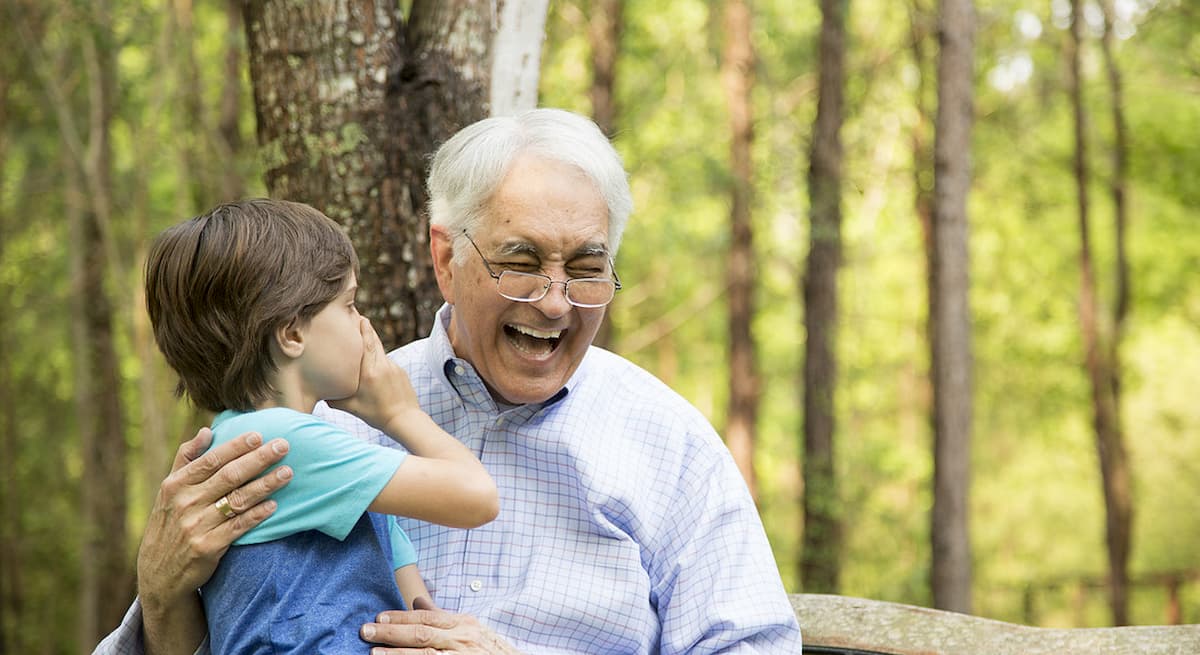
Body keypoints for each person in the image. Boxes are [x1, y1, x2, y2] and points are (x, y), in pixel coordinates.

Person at [96, 108, 802, 654]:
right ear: (445, 258)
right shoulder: (319, 420)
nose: (556, 302)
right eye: (520, 260)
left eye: (587, 269)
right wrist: (158, 599)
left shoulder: (668, 441)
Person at [138, 199, 498, 653]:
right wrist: (400, 414)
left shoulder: (319, 463)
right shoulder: (275, 443)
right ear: (292, 333)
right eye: (348, 304)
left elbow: (413, 607)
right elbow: (477, 497)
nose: (363, 324)